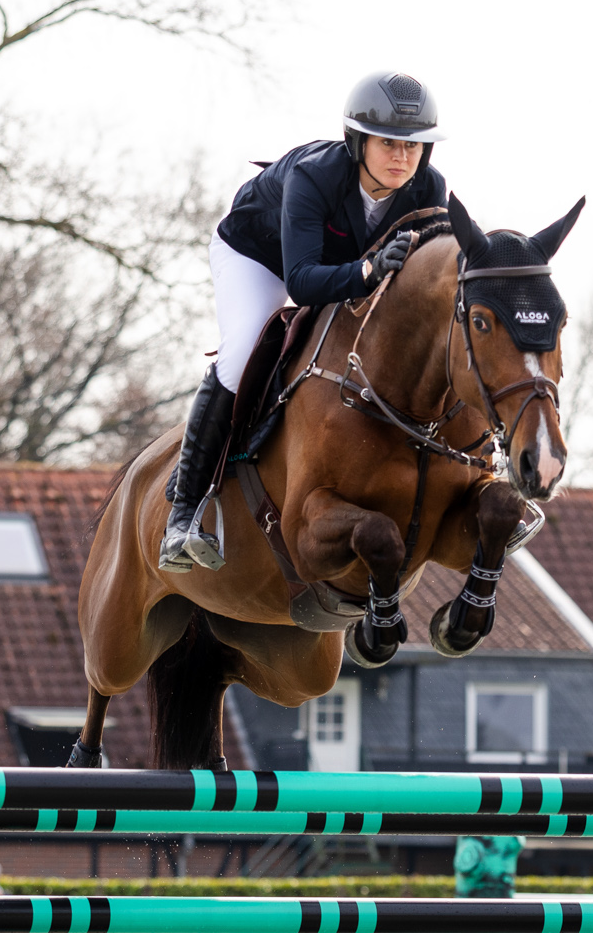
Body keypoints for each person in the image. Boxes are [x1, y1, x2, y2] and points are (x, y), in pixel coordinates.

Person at [160, 69, 451, 570]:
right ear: (358, 141)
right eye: (388, 143)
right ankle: (183, 512)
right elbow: (301, 282)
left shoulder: (429, 187)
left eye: (414, 145)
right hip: (259, 258)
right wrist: (366, 270)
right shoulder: (315, 176)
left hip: (339, 268)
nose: (402, 157)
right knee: (244, 347)